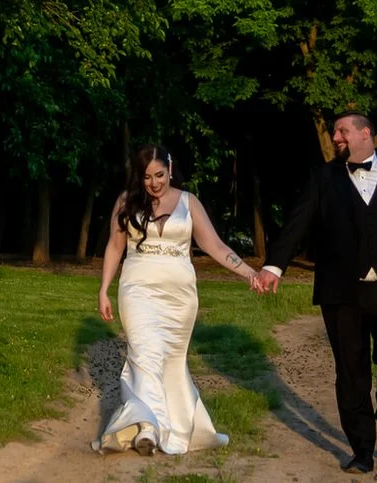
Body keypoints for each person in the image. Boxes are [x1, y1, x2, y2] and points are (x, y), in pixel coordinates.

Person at [260, 109, 377, 474]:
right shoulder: (322, 178)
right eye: (335, 132)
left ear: (365, 133)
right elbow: (298, 222)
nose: (336, 138)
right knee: (352, 372)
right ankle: (362, 450)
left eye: (342, 131)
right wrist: (274, 265)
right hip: (341, 291)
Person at [92, 143, 269, 456]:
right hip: (137, 289)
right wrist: (104, 288)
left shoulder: (189, 202)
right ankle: (148, 428)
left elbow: (214, 245)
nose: (154, 183)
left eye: (159, 175)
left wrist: (249, 273)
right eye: (147, 177)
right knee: (145, 353)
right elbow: (115, 247)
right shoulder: (126, 201)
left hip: (180, 298)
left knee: (170, 361)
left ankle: (176, 425)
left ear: (170, 170)